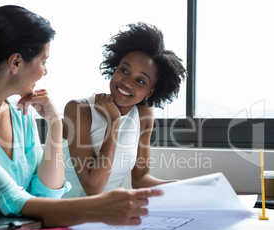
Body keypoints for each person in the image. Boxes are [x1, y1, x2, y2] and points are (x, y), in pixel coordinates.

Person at [0, 5, 163, 227]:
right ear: (16, 62)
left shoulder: (19, 113)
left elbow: (46, 195)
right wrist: (96, 209)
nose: (45, 71)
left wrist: (55, 124)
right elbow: (13, 202)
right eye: (43, 61)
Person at [62, 22, 187, 198]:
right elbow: (94, 188)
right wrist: (113, 121)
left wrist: (180, 186)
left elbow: (140, 179)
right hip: (65, 214)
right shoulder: (79, 109)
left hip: (107, 215)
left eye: (141, 81)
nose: (127, 82)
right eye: (124, 70)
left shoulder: (143, 115)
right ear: (115, 67)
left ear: (150, 91)